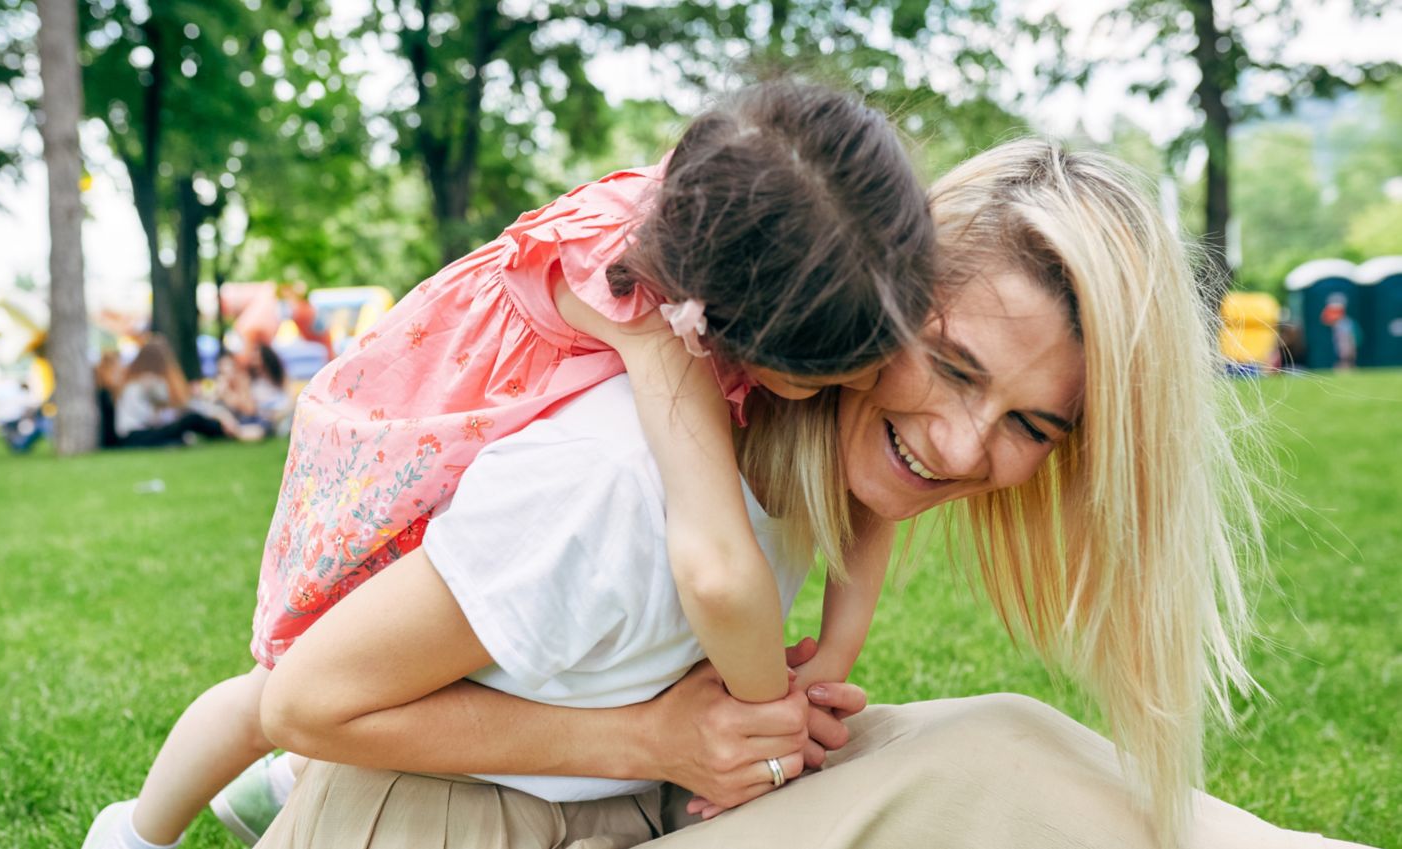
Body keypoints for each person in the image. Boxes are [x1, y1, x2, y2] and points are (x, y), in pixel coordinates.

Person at [246, 140, 1371, 849]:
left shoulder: (792, 476)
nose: (966, 447)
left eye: (1035, 425)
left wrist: (757, 716)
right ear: (871, 299)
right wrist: (661, 741)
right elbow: (307, 703)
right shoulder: (623, 478)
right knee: (980, 772)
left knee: (1000, 742)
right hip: (449, 829)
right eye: (957, 367)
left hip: (588, 804)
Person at [82, 80, 934, 849]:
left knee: (435, 663)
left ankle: (296, 783)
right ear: (727, 330)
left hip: (506, 422)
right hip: (427, 445)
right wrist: (765, 718)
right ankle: (134, 832)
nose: (867, 386)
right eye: (831, 377)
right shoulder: (651, 319)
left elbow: (858, 490)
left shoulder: (762, 211)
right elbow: (716, 568)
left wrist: (832, 655)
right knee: (277, 687)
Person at [113, 336, 258, 448]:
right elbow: (180, 403)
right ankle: (231, 432)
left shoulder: (135, 381)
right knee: (191, 420)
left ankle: (230, 431)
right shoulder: (148, 381)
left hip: (132, 436)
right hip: (136, 436)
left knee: (184, 427)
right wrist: (217, 413)